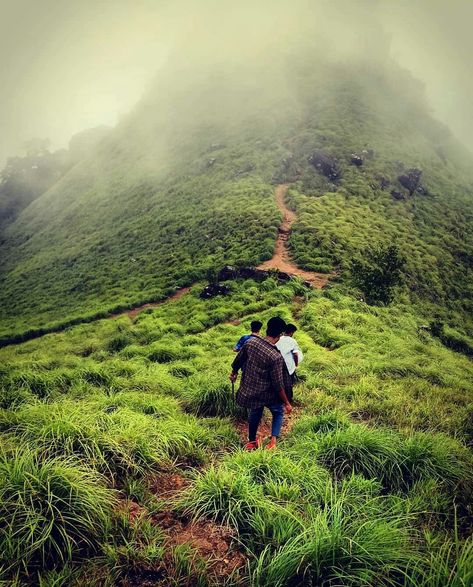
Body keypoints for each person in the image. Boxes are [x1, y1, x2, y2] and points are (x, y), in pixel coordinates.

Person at [230, 316, 292, 450]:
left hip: (253, 390)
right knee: (278, 411)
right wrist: (286, 402)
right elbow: (278, 384)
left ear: (267, 329)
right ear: (280, 335)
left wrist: (234, 372)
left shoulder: (251, 342)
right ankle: (273, 442)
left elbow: (239, 359)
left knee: (255, 411)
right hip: (269, 394)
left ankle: (252, 441)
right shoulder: (275, 356)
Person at [276, 324, 303, 390]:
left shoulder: (278, 339)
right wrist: (296, 365)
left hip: (278, 365)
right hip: (288, 367)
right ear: (291, 332)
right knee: (289, 384)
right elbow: (295, 354)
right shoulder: (292, 341)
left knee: (280, 383)